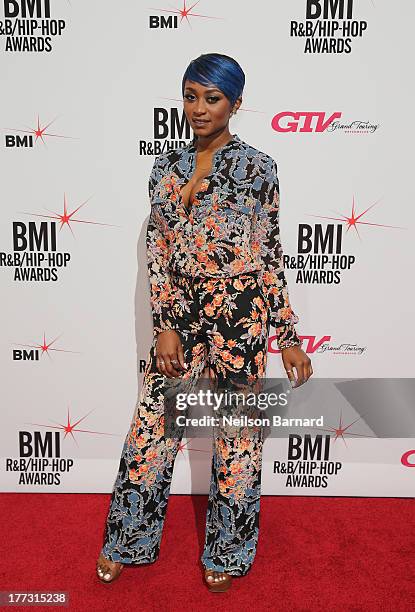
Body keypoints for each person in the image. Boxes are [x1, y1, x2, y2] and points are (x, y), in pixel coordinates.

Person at [96, 52, 313, 592]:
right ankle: (128, 540)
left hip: (240, 319)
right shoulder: (164, 168)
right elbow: (160, 247)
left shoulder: (259, 168)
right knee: (152, 430)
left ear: (235, 104)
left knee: (238, 439)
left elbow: (268, 252)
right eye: (190, 96)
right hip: (182, 321)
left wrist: (286, 336)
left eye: (211, 98)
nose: (198, 108)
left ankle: (228, 549)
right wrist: (166, 323)